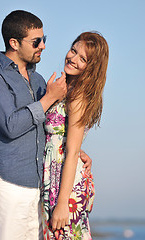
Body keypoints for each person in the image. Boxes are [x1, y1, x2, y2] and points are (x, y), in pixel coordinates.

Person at [0, 10, 92, 240]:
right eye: (37, 41)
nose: (43, 46)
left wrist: (75, 149)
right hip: (10, 185)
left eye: (44, 39)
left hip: (39, 190)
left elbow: (45, 126)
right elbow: (11, 125)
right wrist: (48, 98)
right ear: (14, 43)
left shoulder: (38, 80)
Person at [42, 31, 109, 239]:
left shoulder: (78, 96)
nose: (73, 59)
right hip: (56, 176)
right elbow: (66, 138)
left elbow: (70, 153)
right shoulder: (66, 88)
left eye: (83, 59)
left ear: (91, 68)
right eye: (73, 50)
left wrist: (63, 204)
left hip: (64, 186)